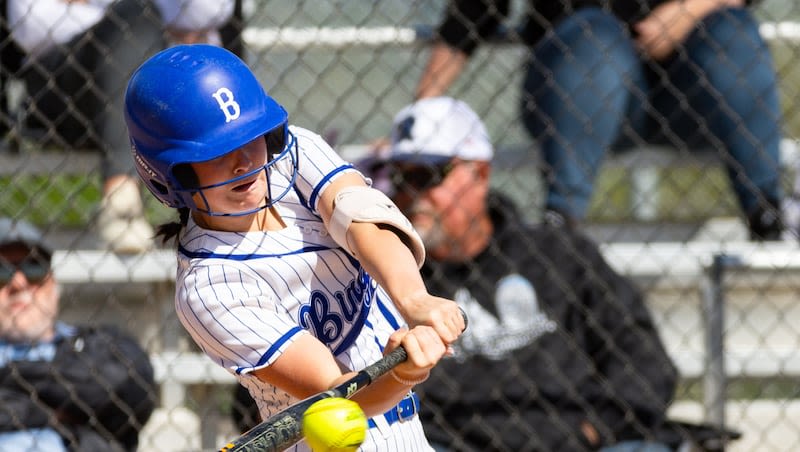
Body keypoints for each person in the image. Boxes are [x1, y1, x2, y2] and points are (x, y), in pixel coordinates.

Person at [124, 44, 466, 451]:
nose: (244, 162)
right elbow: (338, 394)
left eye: (251, 137)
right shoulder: (208, 287)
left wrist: (415, 299)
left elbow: (363, 219)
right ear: (170, 175)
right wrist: (403, 373)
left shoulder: (291, 155)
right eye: (216, 153)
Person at [374, 96, 739, 451]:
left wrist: (593, 430)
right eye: (400, 177)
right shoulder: (390, 283)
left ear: (480, 174)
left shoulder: (558, 253)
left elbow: (643, 359)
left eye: (427, 175)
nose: (411, 193)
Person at [415, 0, 785, 240]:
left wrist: (691, 8)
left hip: (692, 94)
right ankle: (562, 225)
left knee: (731, 30)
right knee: (593, 38)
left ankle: (768, 213)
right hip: (577, 91)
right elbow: (477, 9)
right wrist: (419, 114)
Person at [6, 0, 237, 253]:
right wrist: (131, 22)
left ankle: (128, 205)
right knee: (132, 20)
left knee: (136, 22)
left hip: (170, 71)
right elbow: (31, 26)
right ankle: (121, 197)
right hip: (65, 83)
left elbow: (208, 10)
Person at [0, 217, 156, 451]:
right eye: (2, 271)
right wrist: (63, 409)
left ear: (53, 281)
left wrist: (8, 381)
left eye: (33, 266)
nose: (19, 282)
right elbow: (95, 394)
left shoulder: (101, 343)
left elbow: (129, 390)